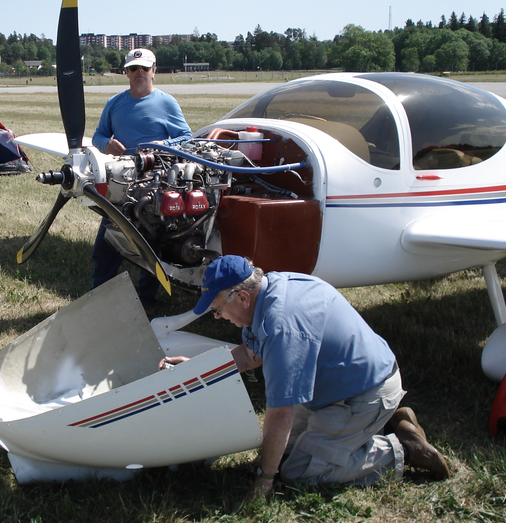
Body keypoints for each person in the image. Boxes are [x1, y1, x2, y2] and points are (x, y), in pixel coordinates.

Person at [160, 255, 451, 500]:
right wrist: (198, 368)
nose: (219, 316)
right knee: (284, 453)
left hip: (362, 393)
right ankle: (371, 428)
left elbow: (280, 415)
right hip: (337, 388)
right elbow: (251, 356)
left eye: (218, 309)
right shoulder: (270, 289)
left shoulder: (280, 325)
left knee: (301, 472)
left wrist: (265, 480)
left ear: (243, 297)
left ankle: (402, 449)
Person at [90, 48, 192, 308]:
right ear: (126, 73)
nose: (139, 73)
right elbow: (98, 136)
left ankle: (147, 301)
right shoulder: (114, 103)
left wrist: (163, 144)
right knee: (108, 244)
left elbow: (187, 137)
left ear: (154, 71)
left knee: (150, 244)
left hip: (154, 182)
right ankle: (99, 297)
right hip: (121, 180)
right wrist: (107, 144)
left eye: (144, 68)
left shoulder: (167, 103)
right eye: (133, 69)